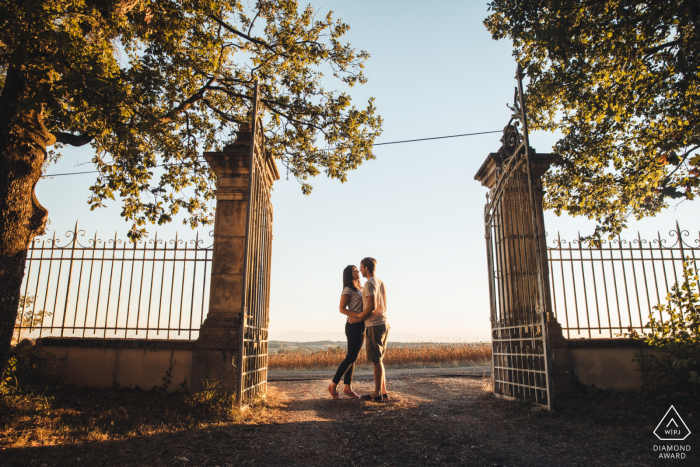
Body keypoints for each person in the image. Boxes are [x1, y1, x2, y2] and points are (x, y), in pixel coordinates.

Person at [349, 257, 389, 402]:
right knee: (380, 359)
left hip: (374, 324)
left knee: (376, 360)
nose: (360, 270)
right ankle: (383, 391)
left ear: (366, 267)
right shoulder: (380, 282)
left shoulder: (369, 284)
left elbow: (371, 306)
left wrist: (359, 318)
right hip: (384, 323)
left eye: (361, 267)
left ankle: (377, 393)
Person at [328, 265, 365, 399]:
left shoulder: (360, 288)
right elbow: (342, 309)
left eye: (357, 269)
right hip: (353, 326)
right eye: (355, 270)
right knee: (351, 357)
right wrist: (357, 315)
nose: (358, 271)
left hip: (361, 325)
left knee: (353, 357)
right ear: (349, 275)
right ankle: (333, 385)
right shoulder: (348, 289)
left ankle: (347, 388)